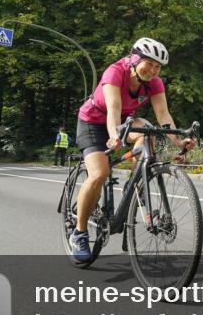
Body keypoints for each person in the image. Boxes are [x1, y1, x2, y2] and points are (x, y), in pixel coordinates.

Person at [69, 38, 195, 263]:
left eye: (158, 67)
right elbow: (113, 108)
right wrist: (114, 134)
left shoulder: (154, 82)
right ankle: (79, 233)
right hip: (93, 122)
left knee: (148, 130)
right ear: (134, 58)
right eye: (149, 63)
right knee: (99, 174)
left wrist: (179, 142)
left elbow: (163, 116)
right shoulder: (114, 72)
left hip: (123, 122)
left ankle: (135, 181)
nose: (153, 71)